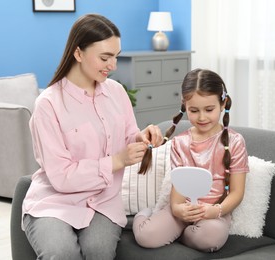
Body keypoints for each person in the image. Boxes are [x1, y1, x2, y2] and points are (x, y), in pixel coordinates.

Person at [22, 14, 163, 260]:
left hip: (103, 201)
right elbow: (61, 177)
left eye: (116, 57)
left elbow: (128, 136)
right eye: (105, 57)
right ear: (78, 54)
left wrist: (142, 138)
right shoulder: (48, 105)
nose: (113, 65)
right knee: (61, 252)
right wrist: (117, 161)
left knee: (98, 251)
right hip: (55, 202)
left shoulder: (116, 92)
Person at [133, 68, 249, 252]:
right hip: (184, 209)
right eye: (194, 111)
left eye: (209, 109)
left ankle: (186, 234)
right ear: (184, 105)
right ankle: (145, 215)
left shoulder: (235, 142)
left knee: (210, 238)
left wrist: (216, 211)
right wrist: (178, 210)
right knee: (146, 236)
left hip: (214, 212)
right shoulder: (180, 143)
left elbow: (237, 192)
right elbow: (178, 193)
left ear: (223, 103)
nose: (202, 117)